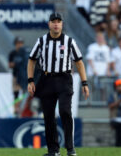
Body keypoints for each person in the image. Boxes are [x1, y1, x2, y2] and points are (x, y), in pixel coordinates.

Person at [27, 12, 89, 156]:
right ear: (49, 24)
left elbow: (79, 62)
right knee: (48, 116)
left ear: (62, 24)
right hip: (46, 79)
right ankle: (53, 150)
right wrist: (30, 80)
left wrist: (85, 82)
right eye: (53, 21)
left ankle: (70, 148)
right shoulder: (42, 41)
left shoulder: (69, 41)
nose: (56, 24)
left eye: (58, 21)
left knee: (65, 111)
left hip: (64, 80)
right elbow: (31, 60)